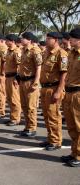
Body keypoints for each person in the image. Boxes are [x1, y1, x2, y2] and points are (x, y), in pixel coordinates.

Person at [39, 32, 68, 151]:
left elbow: (64, 74)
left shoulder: (61, 54)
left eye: (48, 38)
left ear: (55, 40)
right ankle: (50, 138)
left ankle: (56, 141)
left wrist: (59, 91)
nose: (46, 40)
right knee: (46, 115)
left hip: (54, 88)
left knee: (53, 116)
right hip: (45, 88)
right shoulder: (47, 52)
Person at [62, 28, 80, 167]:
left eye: (72, 38)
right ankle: (74, 152)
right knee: (71, 126)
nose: (70, 40)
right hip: (69, 93)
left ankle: (79, 156)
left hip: (78, 94)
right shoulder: (72, 54)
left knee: (79, 126)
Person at [19, 32, 42, 137]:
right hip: (23, 81)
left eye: (23, 38)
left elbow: (38, 67)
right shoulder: (23, 50)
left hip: (31, 81)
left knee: (31, 106)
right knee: (24, 106)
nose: (21, 40)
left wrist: (36, 81)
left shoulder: (35, 50)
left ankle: (32, 128)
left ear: (29, 40)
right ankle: (27, 126)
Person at [4, 34, 22, 126]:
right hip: (7, 77)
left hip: (13, 77)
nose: (6, 42)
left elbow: (19, 66)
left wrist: (17, 78)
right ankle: (12, 117)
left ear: (13, 41)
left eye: (7, 40)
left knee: (14, 99)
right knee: (9, 98)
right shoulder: (8, 51)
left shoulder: (17, 51)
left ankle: (16, 119)